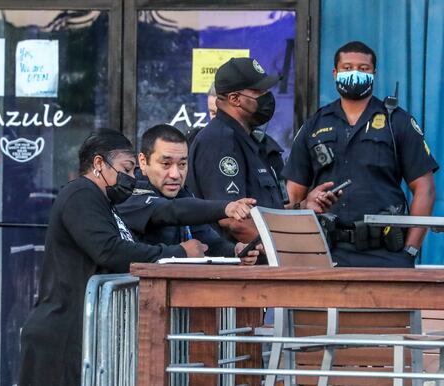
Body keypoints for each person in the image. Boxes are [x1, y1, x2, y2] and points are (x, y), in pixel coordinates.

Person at [18, 130, 207, 386]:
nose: (131, 178)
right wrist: (177, 253)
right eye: (126, 169)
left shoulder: (102, 201)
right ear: (98, 163)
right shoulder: (80, 194)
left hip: (84, 334)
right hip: (62, 336)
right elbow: (110, 250)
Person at [283, 41, 438, 268]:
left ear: (374, 73)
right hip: (324, 253)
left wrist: (410, 250)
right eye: (347, 68)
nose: (355, 73)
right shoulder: (314, 124)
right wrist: (306, 204)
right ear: (335, 73)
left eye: (363, 69)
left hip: (385, 254)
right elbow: (293, 197)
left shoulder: (397, 122)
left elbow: (425, 188)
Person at [186, 57, 337, 245]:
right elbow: (235, 221)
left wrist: (304, 206)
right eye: (259, 91)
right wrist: (286, 250)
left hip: (262, 265)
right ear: (235, 99)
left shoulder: (252, 141)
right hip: (237, 268)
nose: (267, 97)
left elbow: (268, 210)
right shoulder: (219, 140)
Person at [117, 124, 260, 264]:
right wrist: (226, 207)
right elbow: (172, 210)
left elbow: (209, 242)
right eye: (166, 164)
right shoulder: (130, 193)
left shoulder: (182, 193)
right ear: (143, 162)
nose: (175, 174)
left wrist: (235, 251)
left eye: (182, 164)